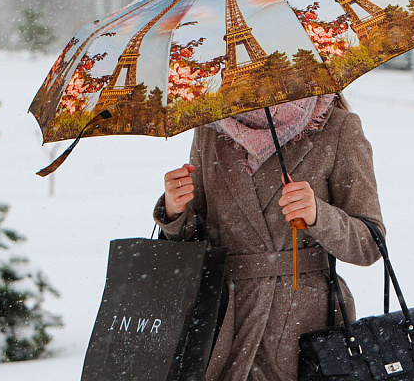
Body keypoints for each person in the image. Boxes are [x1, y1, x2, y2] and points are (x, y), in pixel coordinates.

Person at [154, 94, 384, 381]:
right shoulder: (210, 130)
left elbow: (371, 244)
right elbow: (198, 243)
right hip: (225, 326)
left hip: (305, 331)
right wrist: (176, 212)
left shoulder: (337, 127)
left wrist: (318, 216)